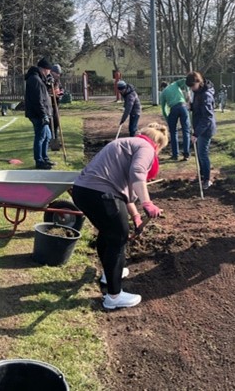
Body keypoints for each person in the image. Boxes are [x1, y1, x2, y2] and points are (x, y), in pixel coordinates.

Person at [72, 123, 169, 310]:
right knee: (119, 237)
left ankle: (109, 275)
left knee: (109, 233)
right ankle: (114, 297)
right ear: (158, 145)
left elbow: (125, 193)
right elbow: (138, 173)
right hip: (101, 193)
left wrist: (136, 216)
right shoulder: (147, 148)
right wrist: (147, 203)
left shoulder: (126, 143)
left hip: (83, 191)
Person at [186, 71, 216, 190]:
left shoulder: (205, 95)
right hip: (199, 126)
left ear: (199, 82)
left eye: (193, 85)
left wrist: (196, 133)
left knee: (203, 154)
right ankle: (202, 176)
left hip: (205, 129)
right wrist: (191, 106)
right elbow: (199, 108)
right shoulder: (198, 92)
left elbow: (207, 117)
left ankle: (207, 180)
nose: (191, 88)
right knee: (199, 154)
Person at [24, 57, 54, 169]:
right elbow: (37, 100)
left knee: (47, 136)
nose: (49, 72)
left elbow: (42, 93)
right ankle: (39, 161)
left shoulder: (38, 79)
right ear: (43, 69)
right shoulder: (35, 79)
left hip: (41, 112)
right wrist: (43, 115)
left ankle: (45, 158)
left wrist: (48, 83)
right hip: (38, 114)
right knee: (41, 136)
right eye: (48, 70)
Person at [160, 78, 191, 161]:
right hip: (183, 106)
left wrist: (168, 120)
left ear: (162, 88)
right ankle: (186, 154)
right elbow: (185, 80)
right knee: (186, 131)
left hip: (173, 109)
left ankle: (175, 155)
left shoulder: (163, 93)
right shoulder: (175, 84)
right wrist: (188, 92)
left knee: (173, 132)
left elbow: (164, 110)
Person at [46, 64, 64, 132]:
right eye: (57, 73)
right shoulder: (48, 80)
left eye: (59, 74)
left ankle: (56, 138)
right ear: (52, 72)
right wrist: (52, 95)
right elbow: (45, 92)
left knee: (56, 122)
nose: (58, 75)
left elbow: (61, 89)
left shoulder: (57, 80)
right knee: (50, 123)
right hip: (49, 106)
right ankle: (50, 140)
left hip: (56, 104)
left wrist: (61, 93)